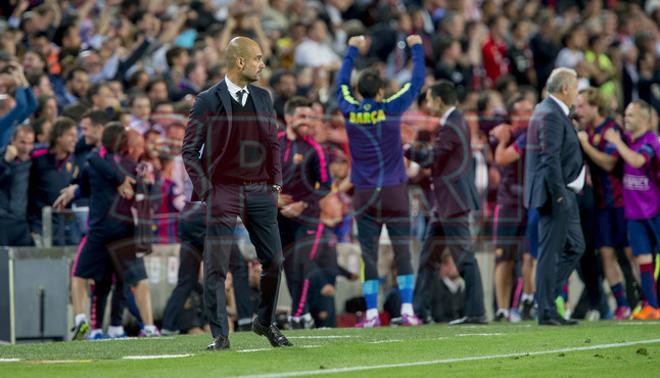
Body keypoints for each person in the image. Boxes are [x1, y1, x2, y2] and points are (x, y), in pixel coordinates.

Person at [182, 37, 290, 351]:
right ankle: (220, 335)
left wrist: (276, 184)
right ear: (240, 61)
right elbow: (189, 150)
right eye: (257, 58)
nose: (262, 64)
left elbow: (273, 143)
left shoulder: (263, 97)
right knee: (216, 264)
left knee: (274, 261)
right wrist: (207, 189)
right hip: (223, 190)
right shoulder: (207, 100)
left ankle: (264, 322)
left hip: (259, 190)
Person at [336, 34, 425, 327]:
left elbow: (340, 85)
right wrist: (416, 47)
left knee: (369, 254)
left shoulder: (349, 108)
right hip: (395, 191)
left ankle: (372, 313)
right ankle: (408, 310)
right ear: (382, 91)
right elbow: (416, 82)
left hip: (364, 194)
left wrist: (351, 50)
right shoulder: (390, 107)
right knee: (402, 251)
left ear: (359, 91)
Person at [405, 80, 486, 325]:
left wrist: (406, 149)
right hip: (445, 204)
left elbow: (431, 158)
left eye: (429, 99)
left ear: (439, 100)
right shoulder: (454, 122)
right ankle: (419, 311)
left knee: (465, 259)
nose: (427, 104)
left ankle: (476, 313)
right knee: (428, 258)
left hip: (454, 202)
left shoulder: (453, 124)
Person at [524, 68, 585, 326]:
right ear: (564, 89)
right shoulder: (549, 113)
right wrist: (559, 194)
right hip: (555, 195)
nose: (577, 94)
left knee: (576, 246)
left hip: (563, 193)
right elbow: (550, 158)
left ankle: (546, 298)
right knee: (549, 253)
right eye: (576, 88)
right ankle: (546, 309)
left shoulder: (552, 111)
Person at [574, 87, 632, 320]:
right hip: (600, 205)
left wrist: (585, 145)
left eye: (581, 106)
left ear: (594, 107)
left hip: (620, 202)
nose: (578, 110)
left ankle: (649, 300)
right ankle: (622, 305)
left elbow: (609, 163)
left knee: (631, 254)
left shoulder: (611, 129)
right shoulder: (586, 130)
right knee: (606, 254)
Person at [276, 96, 332, 329]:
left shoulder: (315, 149)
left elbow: (326, 185)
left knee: (302, 262)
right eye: (301, 116)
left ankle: (297, 315)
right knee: (288, 266)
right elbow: (258, 177)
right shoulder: (273, 144)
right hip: (279, 216)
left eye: (310, 117)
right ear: (288, 118)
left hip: (307, 216)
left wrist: (303, 204)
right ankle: (304, 314)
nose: (307, 121)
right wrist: (274, 199)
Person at [604, 100, 659, 320]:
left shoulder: (651, 141)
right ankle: (651, 306)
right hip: (634, 213)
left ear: (644, 119)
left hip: (655, 211)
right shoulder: (627, 140)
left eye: (631, 115)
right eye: (626, 115)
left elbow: (636, 161)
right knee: (642, 259)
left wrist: (617, 141)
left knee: (653, 260)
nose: (626, 119)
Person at [488, 94, 535, 322]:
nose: (530, 114)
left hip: (529, 203)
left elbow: (502, 157)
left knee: (529, 255)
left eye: (531, 110)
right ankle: (502, 309)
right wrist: (501, 135)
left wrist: (503, 139)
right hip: (507, 203)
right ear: (514, 114)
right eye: (525, 111)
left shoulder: (531, 134)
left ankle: (527, 298)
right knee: (503, 258)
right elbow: (494, 152)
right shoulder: (506, 131)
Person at [0, 125, 35, 246]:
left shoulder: (34, 161)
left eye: (30, 143)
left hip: (22, 222)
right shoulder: (2, 158)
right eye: (22, 143)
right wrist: (5, 162)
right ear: (12, 141)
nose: (26, 148)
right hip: (3, 221)